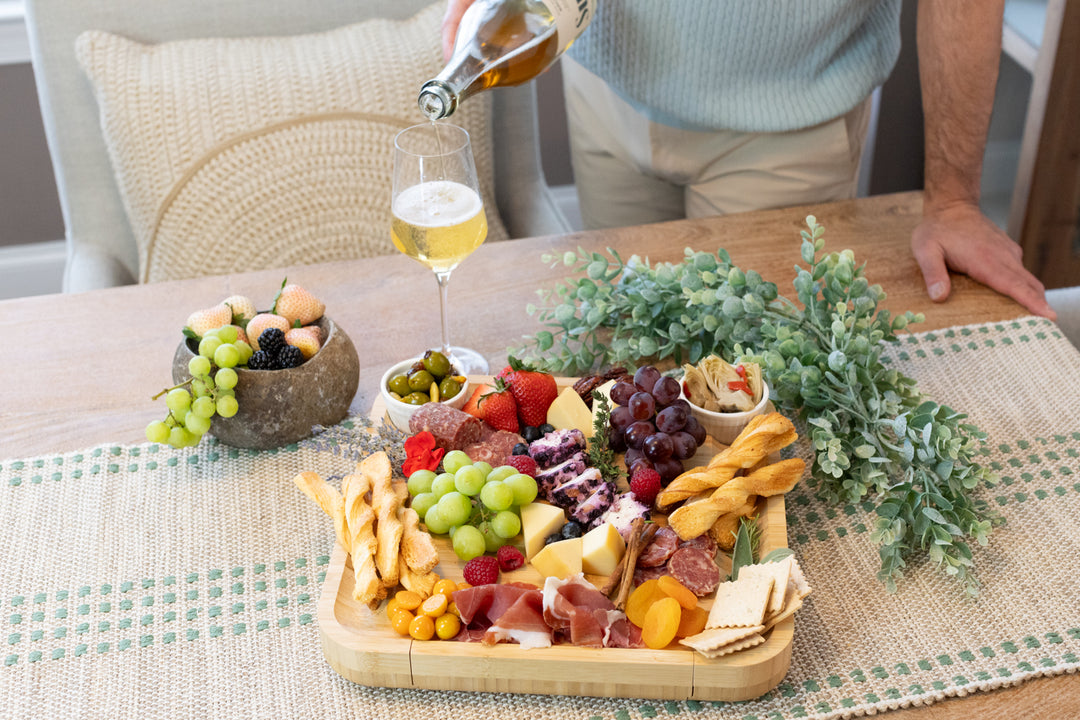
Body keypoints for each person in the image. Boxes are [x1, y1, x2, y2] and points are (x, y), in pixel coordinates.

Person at [440, 0, 1056, 320]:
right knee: (622, 364)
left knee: (749, 393)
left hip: (785, 125)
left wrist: (952, 201)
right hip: (605, 83)